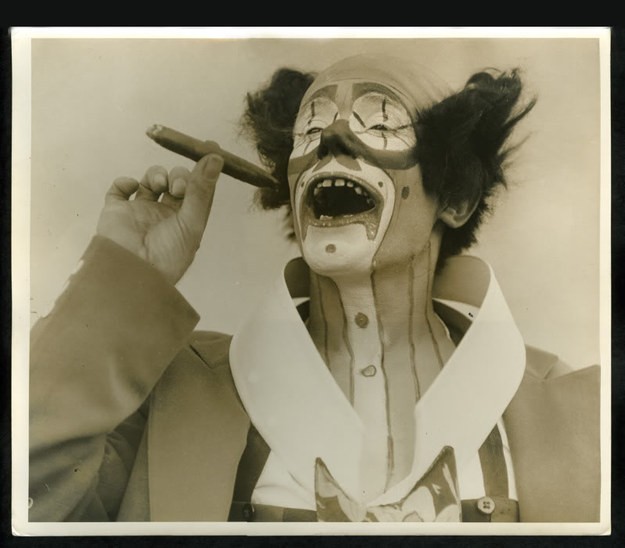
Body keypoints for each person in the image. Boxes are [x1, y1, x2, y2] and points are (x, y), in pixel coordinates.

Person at [28, 53, 600, 523]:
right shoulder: (175, 395)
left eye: (380, 124)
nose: (333, 140)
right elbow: (31, 499)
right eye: (310, 130)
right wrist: (127, 274)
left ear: (455, 198)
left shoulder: (579, 411)